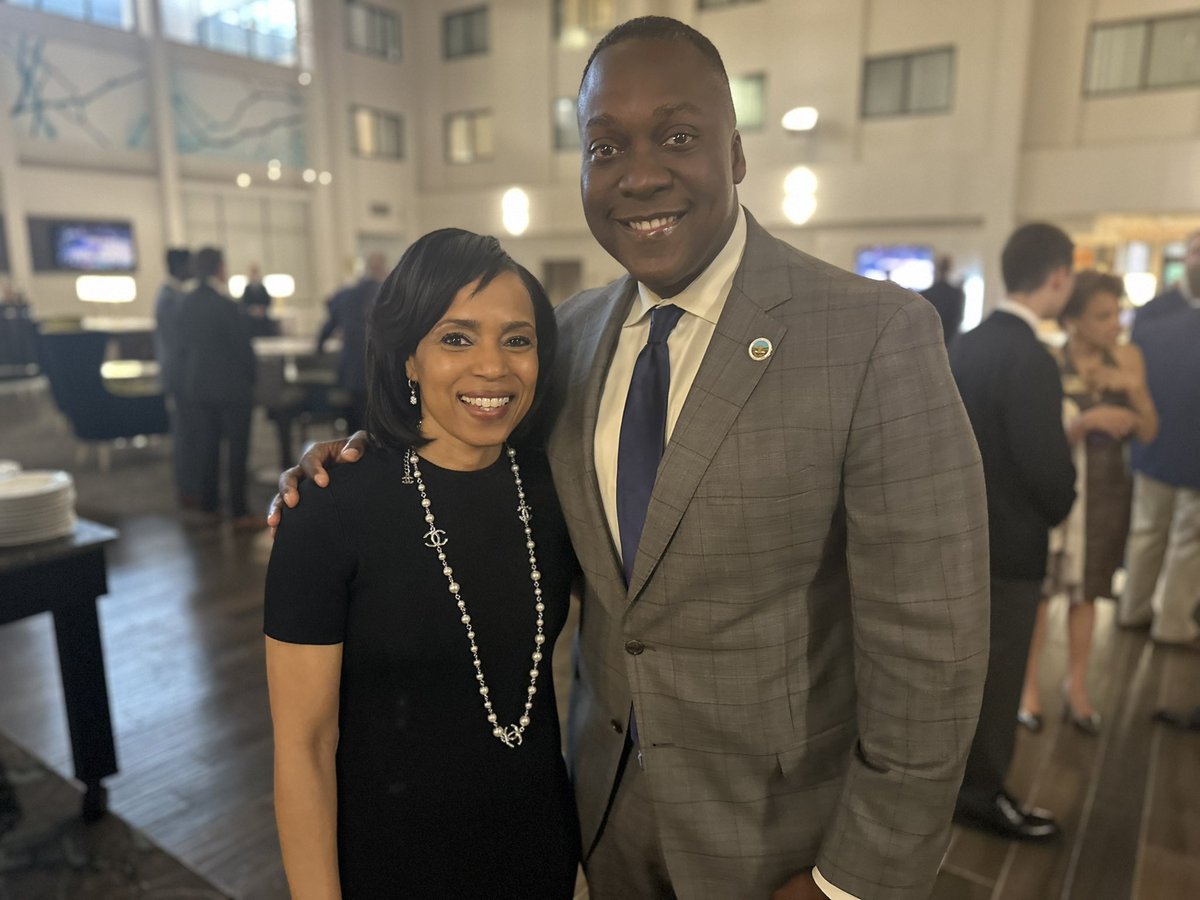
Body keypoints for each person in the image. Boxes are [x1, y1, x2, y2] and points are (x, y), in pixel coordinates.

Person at [273, 17, 989, 900]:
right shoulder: (568, 340)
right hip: (597, 825)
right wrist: (360, 457)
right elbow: (470, 455)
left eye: (678, 136)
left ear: (735, 153)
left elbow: (933, 650)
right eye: (605, 146)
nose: (640, 174)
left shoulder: (873, 335)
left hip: (781, 845)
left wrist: (851, 882)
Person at [264, 228, 579, 898]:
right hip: (393, 865)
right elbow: (304, 747)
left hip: (538, 854)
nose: (493, 367)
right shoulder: (328, 510)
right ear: (408, 356)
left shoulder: (555, 488)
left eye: (517, 340)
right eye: (456, 338)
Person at [949, 222, 1078, 842]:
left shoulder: (965, 344)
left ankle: (946, 783)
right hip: (1010, 544)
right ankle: (980, 795)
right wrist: (1062, 504)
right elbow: (1047, 471)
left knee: (957, 674)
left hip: (954, 538)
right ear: (1058, 277)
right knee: (998, 683)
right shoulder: (1031, 359)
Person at [1017, 271, 1157, 735]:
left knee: (1091, 588)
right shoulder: (1049, 360)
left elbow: (1149, 430)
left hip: (1109, 485)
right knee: (1043, 589)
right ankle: (1028, 685)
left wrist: (1132, 388)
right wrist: (1088, 420)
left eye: (1117, 313)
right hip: (1060, 481)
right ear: (1074, 320)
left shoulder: (1129, 356)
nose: (1115, 324)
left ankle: (1077, 685)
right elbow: (1036, 436)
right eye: (1103, 315)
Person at [1117, 230, 1200, 646]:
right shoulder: (1154, 311)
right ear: (1185, 256)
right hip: (1155, 439)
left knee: (1189, 538)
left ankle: (1174, 620)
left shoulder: (1155, 314)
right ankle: (1135, 608)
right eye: (1196, 250)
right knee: (1148, 531)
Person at [178, 247, 259, 530]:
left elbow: (182, 346)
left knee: (207, 447)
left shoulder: (185, 302)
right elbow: (242, 348)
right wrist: (252, 378)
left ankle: (209, 504)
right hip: (232, 387)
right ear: (219, 268)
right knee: (237, 450)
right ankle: (239, 511)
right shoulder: (225, 304)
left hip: (198, 385)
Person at [316, 251, 388, 434]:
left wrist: (319, 347)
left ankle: (354, 449)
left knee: (355, 423)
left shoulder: (346, 294)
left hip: (352, 370)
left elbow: (329, 325)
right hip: (379, 370)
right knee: (378, 424)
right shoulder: (387, 295)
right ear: (384, 269)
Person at [153, 247, 198, 507]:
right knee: (185, 435)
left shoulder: (172, 296)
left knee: (189, 434)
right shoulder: (170, 299)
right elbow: (181, 341)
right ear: (180, 267)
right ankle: (188, 489)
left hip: (181, 375)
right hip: (180, 377)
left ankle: (191, 486)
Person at [920, 254, 965, 346]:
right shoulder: (957, 294)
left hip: (930, 343)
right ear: (949, 268)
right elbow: (959, 319)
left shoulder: (926, 294)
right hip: (951, 344)